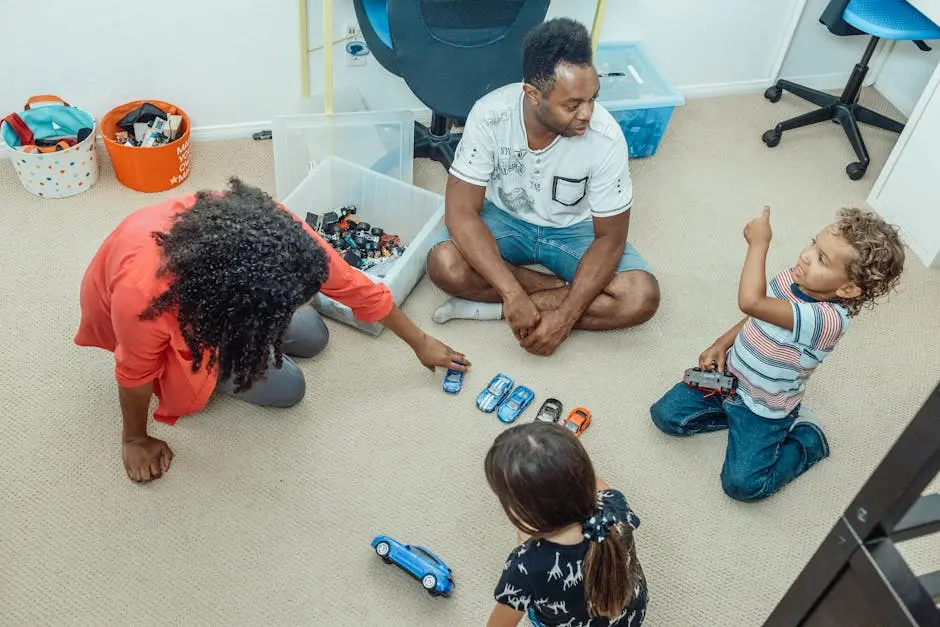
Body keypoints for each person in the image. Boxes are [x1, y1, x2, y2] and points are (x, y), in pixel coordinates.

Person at [75, 178, 470, 484]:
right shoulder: (145, 299)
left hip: (217, 299)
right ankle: (226, 356)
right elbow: (134, 372)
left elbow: (353, 286)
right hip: (171, 322)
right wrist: (134, 438)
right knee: (289, 388)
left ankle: (253, 336)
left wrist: (419, 342)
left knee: (314, 335)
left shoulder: (274, 231)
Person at [426, 18, 659, 356]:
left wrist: (565, 317)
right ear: (533, 94)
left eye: (593, 98)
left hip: (571, 230)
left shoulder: (606, 139)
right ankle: (542, 297)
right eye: (573, 104)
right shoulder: (490, 116)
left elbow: (611, 237)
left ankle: (493, 309)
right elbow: (461, 213)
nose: (588, 114)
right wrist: (511, 292)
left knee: (640, 297)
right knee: (443, 264)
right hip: (505, 220)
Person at [650, 207, 905, 502]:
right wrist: (723, 342)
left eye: (822, 259)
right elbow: (762, 314)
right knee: (665, 416)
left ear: (847, 289)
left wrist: (759, 244)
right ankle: (734, 421)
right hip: (729, 379)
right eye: (813, 243)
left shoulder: (828, 320)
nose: (807, 255)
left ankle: (808, 439)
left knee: (743, 486)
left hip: (764, 408)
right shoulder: (797, 279)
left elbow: (752, 302)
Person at [484, 422, 647, 627]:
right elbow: (594, 484)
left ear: (526, 514)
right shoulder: (614, 505)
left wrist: (524, 544)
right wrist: (565, 459)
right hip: (631, 615)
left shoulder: (525, 566)